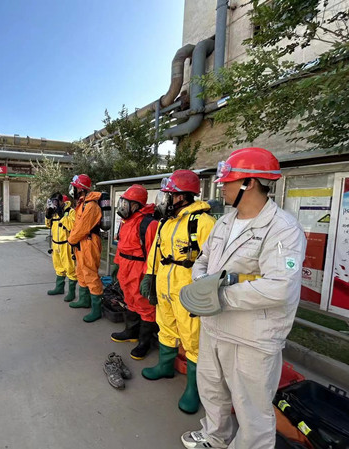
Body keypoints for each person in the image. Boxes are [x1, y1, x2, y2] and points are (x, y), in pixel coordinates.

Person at [180, 148, 306, 449]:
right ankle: (215, 437)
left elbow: (279, 287)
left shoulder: (283, 229)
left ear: (249, 183)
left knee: (252, 409)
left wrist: (217, 296)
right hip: (214, 325)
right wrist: (201, 283)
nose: (222, 187)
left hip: (253, 335)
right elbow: (203, 260)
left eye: (228, 182)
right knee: (212, 389)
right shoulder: (224, 223)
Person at [140, 169, 215, 414]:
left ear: (182, 196)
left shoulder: (204, 223)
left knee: (193, 337)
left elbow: (213, 262)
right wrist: (150, 276)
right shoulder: (167, 222)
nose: (164, 199)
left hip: (188, 289)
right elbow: (156, 251)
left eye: (169, 195)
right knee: (166, 326)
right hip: (165, 285)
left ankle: (194, 388)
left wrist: (204, 292)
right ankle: (165, 366)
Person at [111, 184, 160, 360]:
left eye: (126, 204)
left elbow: (152, 253)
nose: (122, 207)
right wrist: (117, 265)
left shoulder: (149, 224)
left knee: (145, 306)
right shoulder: (126, 222)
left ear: (136, 205)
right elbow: (121, 245)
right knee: (129, 300)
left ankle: (144, 343)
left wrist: (149, 276)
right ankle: (131, 332)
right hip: (125, 267)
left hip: (139, 269)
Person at [67, 174, 104, 322]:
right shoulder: (83, 204)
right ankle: (84, 300)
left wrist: (71, 240)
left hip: (89, 242)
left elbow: (82, 228)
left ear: (81, 189)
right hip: (82, 242)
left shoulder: (91, 206)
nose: (72, 190)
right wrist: (73, 240)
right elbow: (77, 226)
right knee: (81, 271)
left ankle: (96, 309)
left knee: (90, 273)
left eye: (75, 187)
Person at [45, 193, 77, 301]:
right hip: (55, 244)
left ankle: (71, 292)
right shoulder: (53, 211)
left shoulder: (70, 211)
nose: (54, 204)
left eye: (56, 201)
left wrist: (62, 215)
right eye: (53, 201)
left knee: (70, 268)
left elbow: (72, 226)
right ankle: (59, 288)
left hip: (66, 244)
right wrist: (48, 215)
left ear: (62, 201)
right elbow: (48, 225)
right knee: (58, 267)